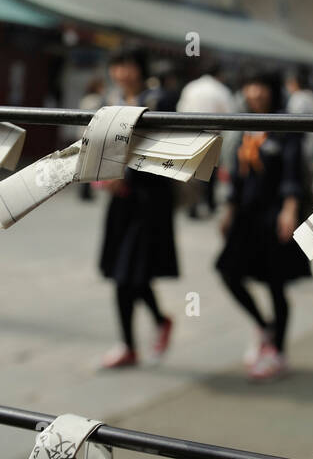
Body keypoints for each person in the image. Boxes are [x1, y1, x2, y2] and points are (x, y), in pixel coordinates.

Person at [216, 70, 308, 381]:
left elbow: (293, 171)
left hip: (275, 214)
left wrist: (290, 208)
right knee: (228, 271)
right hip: (246, 214)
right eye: (250, 85)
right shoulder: (244, 126)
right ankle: (263, 326)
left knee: (276, 284)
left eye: (261, 85)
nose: (255, 92)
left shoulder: (285, 125)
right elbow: (237, 174)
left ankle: (278, 353)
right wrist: (228, 210)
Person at [98, 48, 177, 368]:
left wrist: (123, 172)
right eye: (117, 65)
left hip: (149, 199)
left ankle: (136, 339)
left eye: (128, 65)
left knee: (128, 272)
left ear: (141, 68)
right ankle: (143, 334)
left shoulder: (159, 100)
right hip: (121, 199)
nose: (121, 72)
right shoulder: (112, 101)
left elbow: (157, 145)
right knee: (126, 271)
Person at [177, 59, 235, 218]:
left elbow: (180, 109)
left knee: (192, 173)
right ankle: (209, 203)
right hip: (212, 136)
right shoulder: (221, 90)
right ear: (219, 74)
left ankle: (192, 206)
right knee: (209, 173)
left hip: (190, 135)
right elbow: (231, 115)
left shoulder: (191, 87)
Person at [285, 67, 313, 185]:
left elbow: (293, 124)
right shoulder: (311, 95)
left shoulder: (298, 98)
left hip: (305, 145)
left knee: (307, 181)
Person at [76, 75, 106, 201]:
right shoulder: (97, 100)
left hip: (82, 134)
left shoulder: (86, 98)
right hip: (92, 135)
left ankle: (84, 192)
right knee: (89, 165)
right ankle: (86, 192)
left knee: (84, 165)